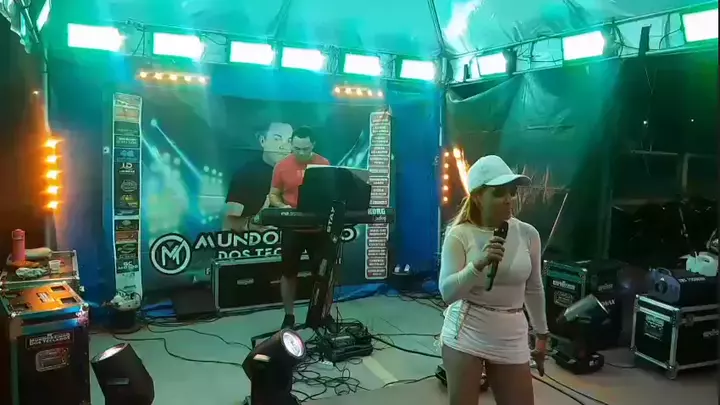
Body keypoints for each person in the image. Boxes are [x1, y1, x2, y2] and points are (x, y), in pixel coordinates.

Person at [439, 155, 549, 405]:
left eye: (512, 191)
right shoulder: (459, 234)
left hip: (511, 334)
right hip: (467, 332)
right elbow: (447, 293)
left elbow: (534, 287)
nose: (509, 198)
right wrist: (477, 264)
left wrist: (542, 334)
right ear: (478, 197)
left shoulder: (528, 234)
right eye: (499, 193)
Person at [268, 126, 330, 329]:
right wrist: (282, 206)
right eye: (296, 148)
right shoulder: (281, 166)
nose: (301, 152)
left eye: (305, 148)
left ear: (313, 145)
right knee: (288, 273)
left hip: (317, 227)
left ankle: (324, 313)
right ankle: (289, 316)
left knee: (323, 273)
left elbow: (331, 193)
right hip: (292, 227)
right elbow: (273, 194)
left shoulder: (324, 164)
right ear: (291, 145)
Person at [224, 122, 292, 232]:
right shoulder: (246, 174)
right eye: (277, 139)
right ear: (262, 141)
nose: (284, 146)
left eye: (289, 141)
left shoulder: (302, 174)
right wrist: (252, 224)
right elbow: (228, 224)